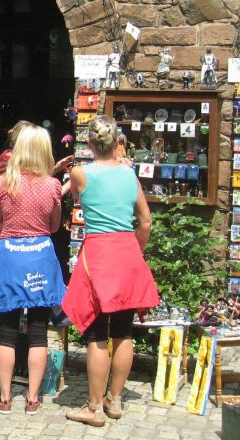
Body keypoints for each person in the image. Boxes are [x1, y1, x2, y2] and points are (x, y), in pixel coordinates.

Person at [61, 115, 159, 427]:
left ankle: (93, 407)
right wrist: (135, 250)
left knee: (97, 334)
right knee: (123, 331)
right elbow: (146, 222)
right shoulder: (130, 174)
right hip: (127, 252)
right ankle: (114, 399)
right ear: (117, 142)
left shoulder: (80, 173)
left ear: (90, 143)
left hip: (99, 255)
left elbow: (77, 195)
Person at [0, 123, 66, 416]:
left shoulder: (3, 183)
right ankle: (32, 398)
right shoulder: (52, 185)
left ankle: (5, 397)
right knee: (38, 331)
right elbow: (54, 226)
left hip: (11, 256)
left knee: (6, 330)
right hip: (40, 256)